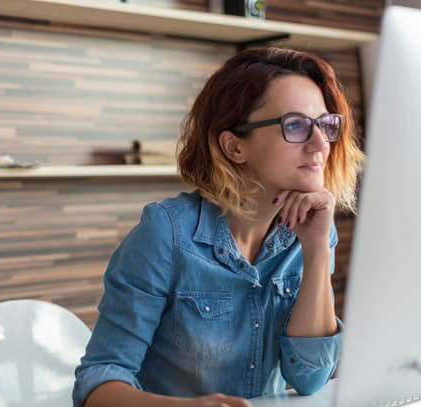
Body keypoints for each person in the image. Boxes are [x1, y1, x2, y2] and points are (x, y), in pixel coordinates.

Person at [73, 47, 365, 407]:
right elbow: (97, 382)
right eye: (296, 125)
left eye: (325, 125)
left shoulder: (313, 231)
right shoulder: (166, 233)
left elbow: (310, 377)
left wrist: (318, 248)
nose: (320, 144)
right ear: (233, 146)